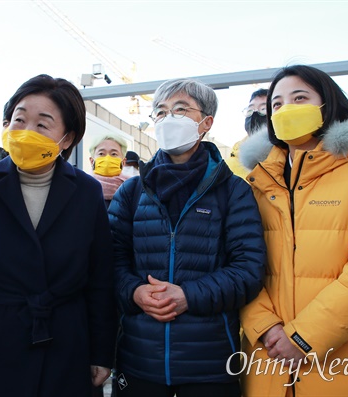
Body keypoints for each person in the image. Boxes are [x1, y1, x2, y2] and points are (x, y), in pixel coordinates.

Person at [0, 74, 118, 396]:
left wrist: (101, 352)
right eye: (18, 120)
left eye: (42, 125)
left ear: (68, 137)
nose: (26, 132)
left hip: (66, 341)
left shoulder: (87, 192)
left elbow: (100, 278)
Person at [239, 65, 348, 396]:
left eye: (300, 98)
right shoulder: (254, 185)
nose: (287, 109)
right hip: (269, 364)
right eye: (277, 104)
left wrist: (304, 337)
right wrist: (265, 327)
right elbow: (240, 265)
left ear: (327, 104)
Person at [107, 78, 266, 396]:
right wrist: (135, 291)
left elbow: (249, 269)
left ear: (206, 123)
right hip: (139, 360)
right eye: (161, 112)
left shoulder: (233, 191)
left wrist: (188, 295)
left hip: (210, 364)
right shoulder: (132, 191)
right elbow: (109, 260)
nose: (169, 119)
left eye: (180, 110)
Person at [226, 88, 268, 179]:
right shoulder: (230, 165)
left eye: (263, 109)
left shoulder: (289, 156)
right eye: (250, 110)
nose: (254, 114)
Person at [89, 132, 129, 208]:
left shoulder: (133, 189)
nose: (107, 158)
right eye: (101, 154)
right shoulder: (82, 188)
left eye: (114, 154)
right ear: (92, 161)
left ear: (123, 162)